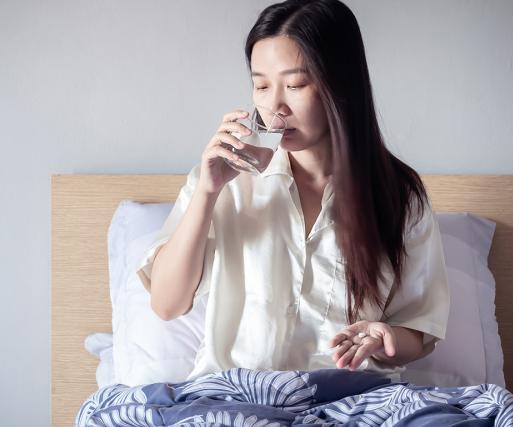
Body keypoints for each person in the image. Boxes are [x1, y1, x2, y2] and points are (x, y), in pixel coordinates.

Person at [136, 0, 450, 382]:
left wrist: (384, 336)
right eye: (261, 85)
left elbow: (419, 330)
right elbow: (167, 304)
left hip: (351, 398)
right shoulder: (226, 182)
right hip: (237, 397)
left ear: (340, 83)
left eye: (295, 84)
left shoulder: (400, 195)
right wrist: (206, 192)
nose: (274, 106)